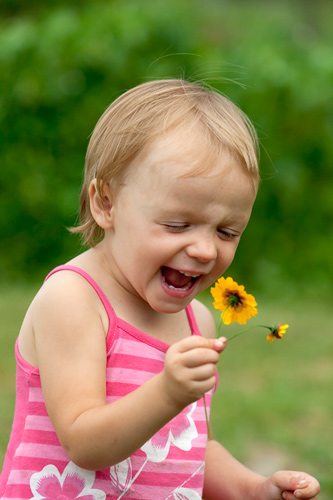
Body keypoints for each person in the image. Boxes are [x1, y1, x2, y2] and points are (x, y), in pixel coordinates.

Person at [0, 79, 320, 500]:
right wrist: (166, 392)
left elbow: (187, 448)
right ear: (107, 204)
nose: (205, 250)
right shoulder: (73, 300)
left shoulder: (197, 321)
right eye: (177, 224)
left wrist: (252, 488)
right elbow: (84, 442)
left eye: (227, 231)